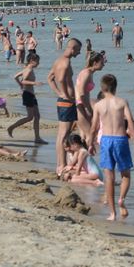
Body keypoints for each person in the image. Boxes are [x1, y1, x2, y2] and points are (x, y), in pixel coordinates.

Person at [89, 74, 134, 221]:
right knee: (125, 174)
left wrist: (90, 143)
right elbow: (130, 122)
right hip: (120, 139)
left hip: (106, 140)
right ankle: (122, 199)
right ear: (115, 87)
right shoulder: (122, 102)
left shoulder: (99, 105)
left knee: (109, 177)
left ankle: (112, 213)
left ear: (102, 87)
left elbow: (94, 127)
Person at [46, 38, 82, 171]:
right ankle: (61, 165)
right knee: (63, 135)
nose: (79, 53)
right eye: (78, 50)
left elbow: (50, 78)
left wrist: (59, 93)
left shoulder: (58, 60)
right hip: (66, 102)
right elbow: (60, 79)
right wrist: (65, 94)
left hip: (64, 101)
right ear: (72, 48)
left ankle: (61, 163)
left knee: (63, 134)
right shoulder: (66, 62)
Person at [6, 53, 44, 143]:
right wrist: (35, 83)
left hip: (30, 94)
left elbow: (16, 77)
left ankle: (37, 138)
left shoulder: (27, 68)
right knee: (30, 117)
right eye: (37, 61)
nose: (39, 63)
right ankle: (11, 127)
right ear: (32, 61)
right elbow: (24, 80)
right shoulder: (29, 69)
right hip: (27, 94)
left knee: (37, 116)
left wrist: (20, 85)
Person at [75, 49, 106, 145]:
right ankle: (87, 159)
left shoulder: (89, 72)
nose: (104, 64)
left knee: (84, 137)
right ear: (95, 63)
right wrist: (89, 109)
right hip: (80, 105)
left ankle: (81, 158)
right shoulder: (86, 73)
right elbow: (81, 93)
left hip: (81, 104)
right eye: (102, 62)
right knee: (89, 137)